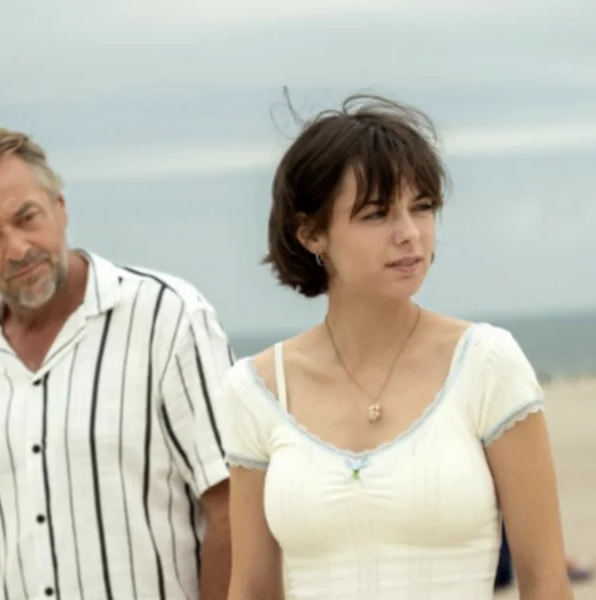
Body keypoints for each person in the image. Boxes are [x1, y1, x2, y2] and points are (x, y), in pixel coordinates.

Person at [221, 94, 574, 599]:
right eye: (376, 214)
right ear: (311, 232)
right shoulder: (256, 389)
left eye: (422, 207)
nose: (410, 234)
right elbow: (252, 588)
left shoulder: (487, 364)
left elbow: (546, 583)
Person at [0, 126, 233, 600]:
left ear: (60, 207)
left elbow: (234, 508)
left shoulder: (169, 317)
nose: (17, 249)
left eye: (27, 218)